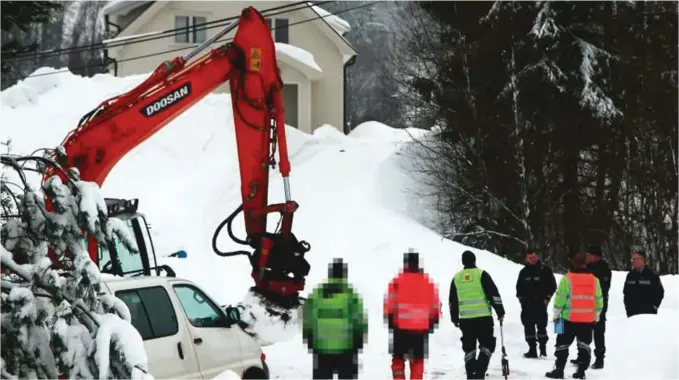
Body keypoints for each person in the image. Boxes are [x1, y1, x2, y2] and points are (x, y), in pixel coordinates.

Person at [303, 258, 367, 379]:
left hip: (321, 349)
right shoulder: (350, 294)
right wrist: (359, 339)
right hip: (346, 349)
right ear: (344, 274)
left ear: (330, 274)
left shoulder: (317, 293)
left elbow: (308, 318)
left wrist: (309, 337)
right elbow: (358, 319)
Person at [384, 250, 441, 380]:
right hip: (420, 329)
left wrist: (390, 320)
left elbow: (390, 303)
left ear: (406, 264)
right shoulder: (427, 282)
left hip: (400, 329)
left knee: (398, 360)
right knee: (417, 361)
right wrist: (433, 321)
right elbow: (434, 304)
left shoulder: (398, 281)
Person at [546, 253, 604, 379]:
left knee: (561, 344)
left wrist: (556, 316)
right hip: (587, 321)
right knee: (584, 345)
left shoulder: (567, 279)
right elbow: (599, 301)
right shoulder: (594, 280)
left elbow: (559, 300)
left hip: (567, 319)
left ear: (574, 263)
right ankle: (581, 371)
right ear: (585, 264)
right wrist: (596, 317)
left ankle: (559, 369)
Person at [449, 250, 505, 380]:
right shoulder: (481, 274)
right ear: (474, 260)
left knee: (469, 348)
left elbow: (453, 300)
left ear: (463, 262)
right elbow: (493, 294)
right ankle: (479, 372)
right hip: (483, 318)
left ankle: (471, 374)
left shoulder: (456, 278)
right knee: (487, 345)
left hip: (466, 320)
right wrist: (500, 311)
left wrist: (454, 318)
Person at [571, 245, 611, 370]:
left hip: (598, 305)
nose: (587, 257)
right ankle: (582, 356)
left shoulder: (604, 269)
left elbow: (603, 288)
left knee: (598, 332)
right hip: (584, 305)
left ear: (596, 256)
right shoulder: (585, 268)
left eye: (589, 255)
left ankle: (599, 359)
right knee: (582, 332)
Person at [515, 248, 557, 358]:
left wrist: (547, 298)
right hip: (527, 305)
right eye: (530, 258)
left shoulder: (545, 270)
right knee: (528, 327)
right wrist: (521, 299)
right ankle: (532, 349)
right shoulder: (523, 272)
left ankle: (543, 349)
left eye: (534, 257)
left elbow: (552, 286)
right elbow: (519, 288)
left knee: (541, 326)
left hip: (540, 303)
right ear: (526, 259)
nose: (533, 259)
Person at [623, 248, 665, 317]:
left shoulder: (651, 275)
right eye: (632, 260)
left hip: (648, 313)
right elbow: (626, 292)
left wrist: (654, 307)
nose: (633, 261)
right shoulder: (630, 275)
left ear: (642, 260)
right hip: (632, 313)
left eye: (635, 259)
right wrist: (627, 307)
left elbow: (660, 292)